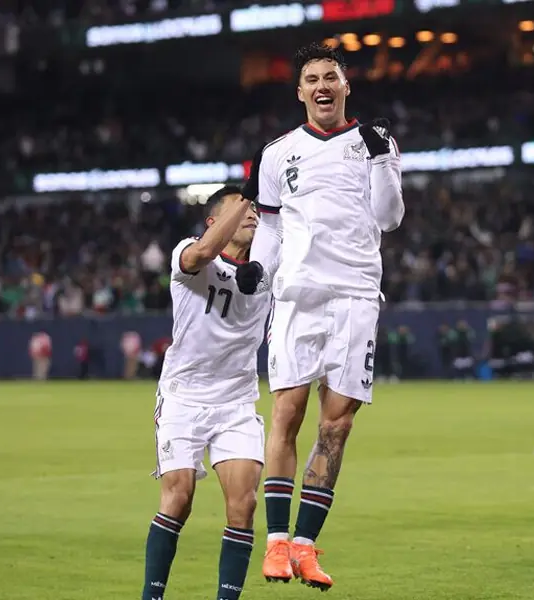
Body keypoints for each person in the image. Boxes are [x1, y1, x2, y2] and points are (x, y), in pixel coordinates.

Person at [234, 42, 404, 590]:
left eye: (331, 76)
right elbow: (273, 225)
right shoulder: (278, 152)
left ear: (346, 85)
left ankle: (305, 546)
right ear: (301, 90)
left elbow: (390, 218)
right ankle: (277, 542)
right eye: (312, 78)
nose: (322, 85)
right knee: (287, 412)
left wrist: (382, 160)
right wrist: (258, 268)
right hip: (299, 296)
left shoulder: (375, 143)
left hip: (356, 295)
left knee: (338, 424)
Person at [140, 185, 271, 600]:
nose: (251, 215)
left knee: (244, 505)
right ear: (214, 222)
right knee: (179, 497)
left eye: (254, 210)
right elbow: (201, 254)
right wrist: (249, 195)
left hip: (235, 402)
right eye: (240, 209)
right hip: (184, 395)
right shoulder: (190, 257)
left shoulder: (270, 269)